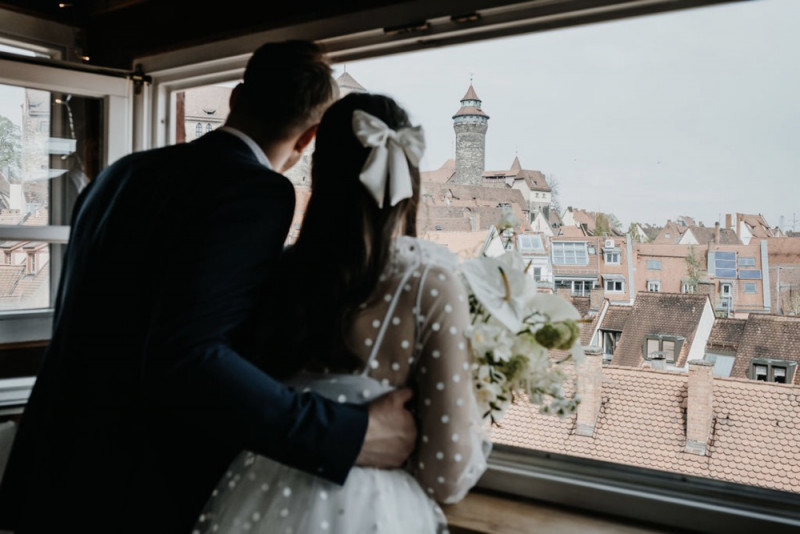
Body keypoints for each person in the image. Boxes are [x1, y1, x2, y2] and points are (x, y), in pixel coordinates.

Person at [0, 41, 417, 533]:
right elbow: (189, 356)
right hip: (139, 491)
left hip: (50, 470)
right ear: (309, 139)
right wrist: (345, 436)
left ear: (236, 98)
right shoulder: (257, 192)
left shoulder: (120, 175)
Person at [193, 92, 492, 534]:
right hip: (374, 510)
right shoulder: (428, 283)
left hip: (258, 493)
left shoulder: (276, 272)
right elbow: (446, 473)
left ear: (319, 171)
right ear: (410, 177)